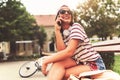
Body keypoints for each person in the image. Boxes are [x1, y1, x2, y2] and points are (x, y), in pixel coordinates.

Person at [41, 5, 106, 80]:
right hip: (79, 62)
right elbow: (62, 52)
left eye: (69, 12)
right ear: (58, 16)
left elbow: (69, 52)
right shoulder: (63, 35)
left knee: (62, 74)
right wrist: (57, 31)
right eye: (62, 11)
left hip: (94, 64)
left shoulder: (76, 27)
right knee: (57, 65)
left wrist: (46, 61)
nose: (66, 13)